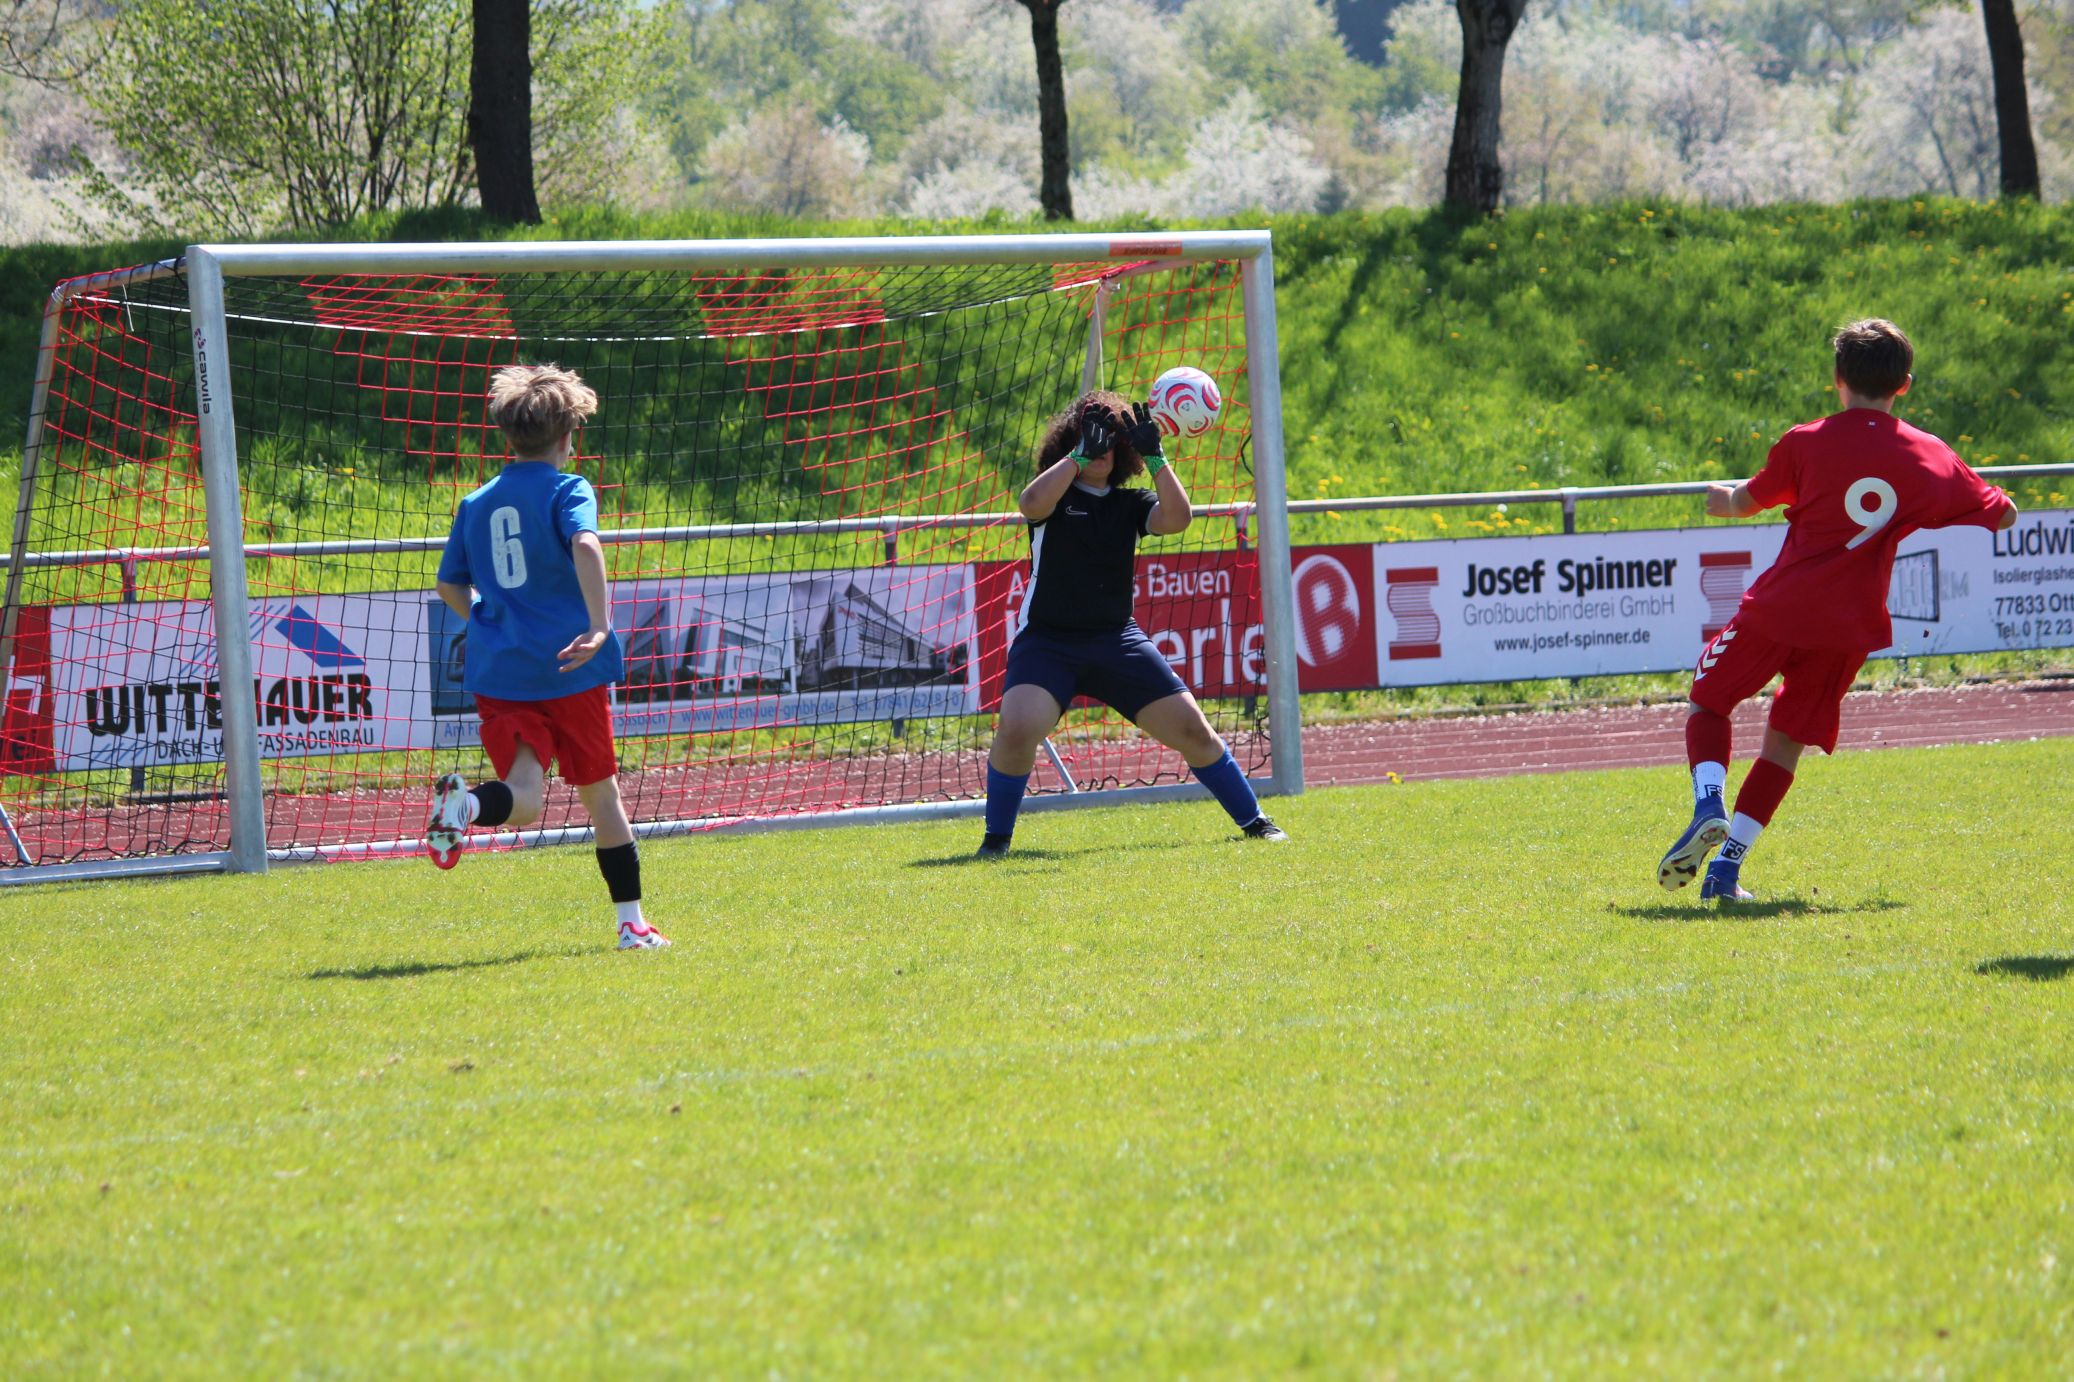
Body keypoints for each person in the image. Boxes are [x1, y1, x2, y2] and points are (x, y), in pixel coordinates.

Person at [1658, 320, 2018, 902]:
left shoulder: (1807, 441)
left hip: (1781, 608)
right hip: (1848, 626)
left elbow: (1746, 502)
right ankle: (1726, 869)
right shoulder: (1929, 453)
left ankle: (1708, 803)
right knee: (1784, 742)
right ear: (1904, 384)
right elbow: (2002, 515)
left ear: (1837, 378)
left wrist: (1720, 501)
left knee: (1709, 700)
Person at [977, 389, 1288, 858]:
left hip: (1116, 642)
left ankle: (1255, 821)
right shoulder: (1055, 495)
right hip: (1048, 643)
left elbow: (1178, 518)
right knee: (1018, 728)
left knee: (1194, 731)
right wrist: (1078, 456)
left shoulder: (1130, 503)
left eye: (1112, 439)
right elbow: (1031, 503)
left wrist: (1156, 455)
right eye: (1092, 435)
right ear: (1072, 441)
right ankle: (996, 840)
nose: (1103, 447)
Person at [423, 363, 670, 950]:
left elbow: (449, 585)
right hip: (569, 667)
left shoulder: (476, 502)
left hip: (502, 673)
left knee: (526, 798)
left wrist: (487, 621)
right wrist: (600, 625)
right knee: (601, 796)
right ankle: (631, 924)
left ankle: (465, 806)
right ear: (567, 436)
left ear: (508, 436)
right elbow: (585, 543)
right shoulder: (568, 489)